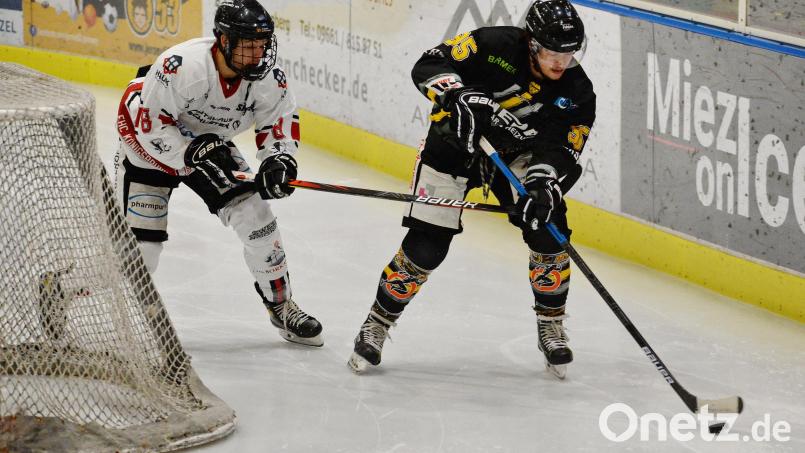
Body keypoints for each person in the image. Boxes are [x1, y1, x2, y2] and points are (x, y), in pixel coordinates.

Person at [347, 0, 595, 378]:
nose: (561, 62)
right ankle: (377, 324)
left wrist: (543, 182)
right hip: (452, 147)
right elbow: (430, 63)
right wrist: (457, 93)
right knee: (427, 245)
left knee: (548, 229)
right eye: (552, 53)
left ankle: (551, 324)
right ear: (531, 43)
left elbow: (561, 148)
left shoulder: (578, 91)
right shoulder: (493, 45)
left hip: (517, 157)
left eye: (569, 53)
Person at [114, 0, 323, 347]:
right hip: (149, 147)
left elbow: (278, 126)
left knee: (257, 219)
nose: (257, 54)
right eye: (248, 45)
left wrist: (279, 161)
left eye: (263, 44)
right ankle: (64, 287)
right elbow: (148, 124)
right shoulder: (181, 66)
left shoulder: (269, 78)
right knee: (141, 254)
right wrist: (187, 151)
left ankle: (281, 305)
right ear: (224, 41)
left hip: (209, 145)